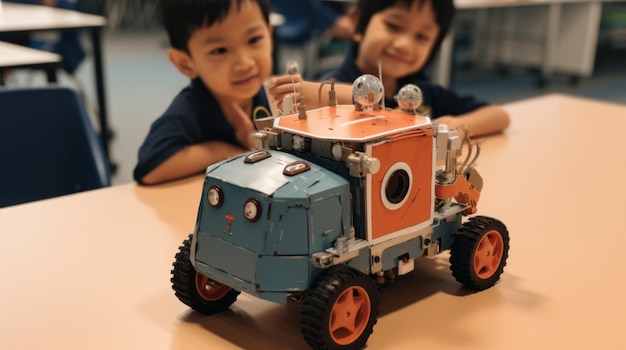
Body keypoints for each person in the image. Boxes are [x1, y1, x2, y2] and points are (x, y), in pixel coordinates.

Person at [269, 0, 509, 139]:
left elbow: (499, 115)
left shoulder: (422, 91)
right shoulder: (331, 85)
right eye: (393, 26)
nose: (404, 45)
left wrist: (456, 125)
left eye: (422, 37)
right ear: (356, 23)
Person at [133, 0, 273, 184]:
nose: (245, 63)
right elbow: (150, 167)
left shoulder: (268, 96)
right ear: (185, 63)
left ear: (270, 35)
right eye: (220, 50)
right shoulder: (192, 108)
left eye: (254, 40)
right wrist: (223, 151)